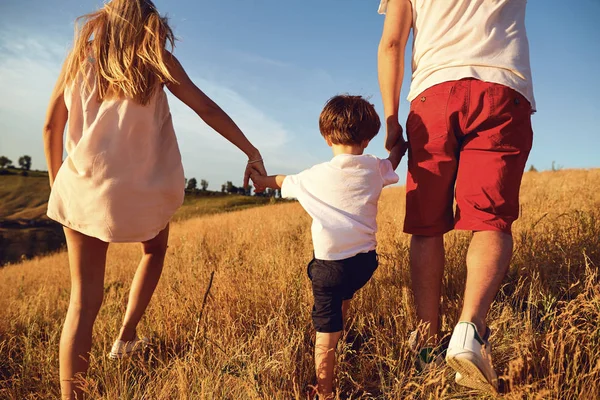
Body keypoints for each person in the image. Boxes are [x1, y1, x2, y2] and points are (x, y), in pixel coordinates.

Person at [42, 1, 266, 398]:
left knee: (82, 303)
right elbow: (206, 108)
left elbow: (50, 126)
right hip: (142, 189)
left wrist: (58, 182)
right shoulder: (155, 58)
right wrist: (250, 151)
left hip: (82, 186)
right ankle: (126, 337)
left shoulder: (80, 56)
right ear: (148, 22)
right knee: (154, 250)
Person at [377, 0, 535, 393]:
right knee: (490, 219)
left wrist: (393, 120)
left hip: (433, 93)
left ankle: (427, 342)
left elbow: (392, 43)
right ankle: (469, 332)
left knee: (427, 226)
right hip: (502, 87)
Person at [251, 95, 406, 399]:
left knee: (325, 336)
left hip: (329, 268)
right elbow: (395, 159)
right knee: (344, 294)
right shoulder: (375, 167)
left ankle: (325, 392)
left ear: (325, 137)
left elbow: (282, 180)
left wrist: (261, 181)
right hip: (364, 264)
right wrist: (399, 142)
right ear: (367, 137)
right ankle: (342, 326)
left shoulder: (312, 176)